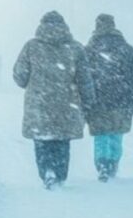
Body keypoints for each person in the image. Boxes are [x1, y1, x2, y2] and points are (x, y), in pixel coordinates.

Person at [13, 11, 95, 189]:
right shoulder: (75, 48)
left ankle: (47, 172)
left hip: (39, 105)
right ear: (64, 26)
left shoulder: (31, 47)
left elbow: (20, 77)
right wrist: (88, 102)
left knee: (42, 140)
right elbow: (85, 80)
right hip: (66, 104)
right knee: (61, 141)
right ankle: (59, 174)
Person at [84, 14, 133, 182]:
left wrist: (83, 102)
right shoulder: (127, 49)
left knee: (101, 135)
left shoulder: (88, 50)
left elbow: (84, 79)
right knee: (116, 134)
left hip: (98, 100)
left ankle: (102, 165)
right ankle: (113, 163)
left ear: (96, 27)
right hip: (122, 99)